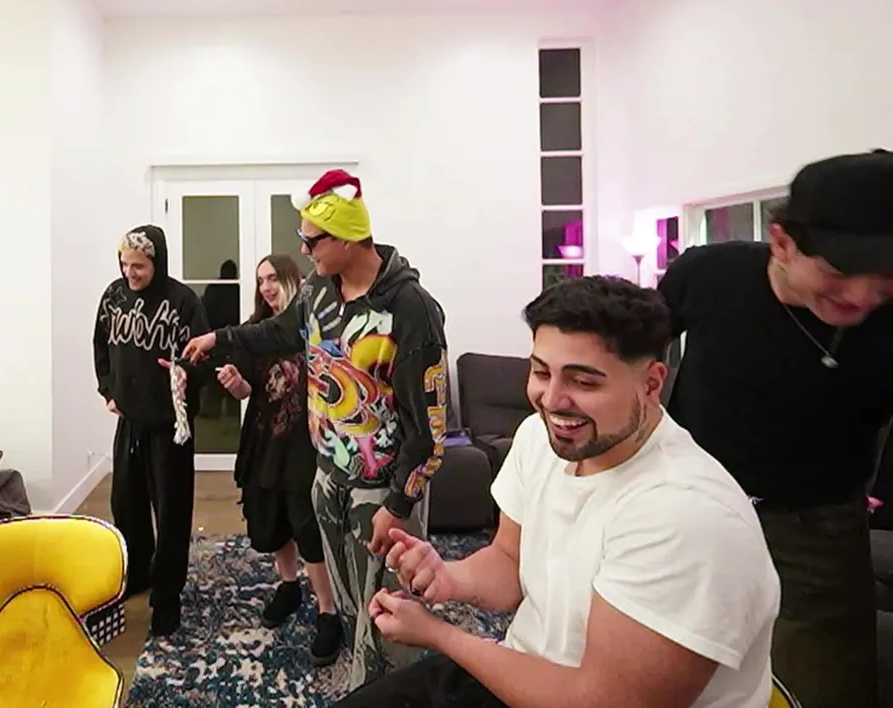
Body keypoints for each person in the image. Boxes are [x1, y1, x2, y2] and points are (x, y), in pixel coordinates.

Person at [334, 276, 782, 708]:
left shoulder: (685, 514)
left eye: (583, 382)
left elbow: (602, 701)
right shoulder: (539, 438)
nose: (551, 400)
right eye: (541, 372)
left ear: (651, 383)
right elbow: (509, 559)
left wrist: (439, 635)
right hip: (524, 670)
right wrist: (449, 577)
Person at [180, 169, 450, 690]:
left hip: (382, 490)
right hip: (328, 477)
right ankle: (360, 680)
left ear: (346, 237)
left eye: (312, 240)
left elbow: (430, 427)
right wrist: (218, 338)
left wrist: (398, 503)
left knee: (390, 611)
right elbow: (277, 332)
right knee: (349, 604)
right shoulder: (317, 292)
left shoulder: (410, 308)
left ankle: (391, 693)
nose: (303, 251)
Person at [658, 148, 893, 707]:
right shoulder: (707, 274)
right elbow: (632, 354)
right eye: (838, 272)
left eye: (886, 278)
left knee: (819, 687)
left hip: (819, 530)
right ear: (782, 243)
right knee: (676, 667)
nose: (863, 297)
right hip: (693, 507)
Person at [216, 253, 344, 666]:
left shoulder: (313, 325)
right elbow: (247, 391)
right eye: (260, 281)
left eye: (273, 278)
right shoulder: (255, 331)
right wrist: (236, 382)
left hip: (305, 444)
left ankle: (328, 610)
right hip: (264, 440)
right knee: (271, 519)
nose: (266, 287)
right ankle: (288, 586)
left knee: (307, 524)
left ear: (292, 279)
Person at [93, 224, 210, 637]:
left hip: (170, 427)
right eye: (125, 265)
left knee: (172, 512)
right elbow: (101, 345)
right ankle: (139, 572)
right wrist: (108, 390)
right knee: (125, 504)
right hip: (130, 421)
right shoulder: (113, 297)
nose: (131, 273)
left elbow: (204, 357)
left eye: (139, 266)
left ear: (156, 263)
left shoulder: (183, 302)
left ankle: (167, 595)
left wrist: (187, 374)